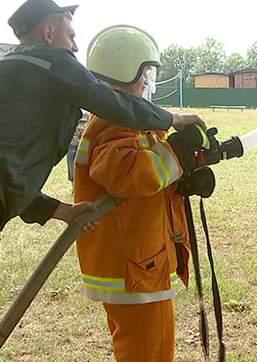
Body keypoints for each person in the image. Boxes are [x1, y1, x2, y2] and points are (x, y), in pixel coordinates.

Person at [0, 0, 205, 361]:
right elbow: (110, 102)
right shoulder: (49, 61)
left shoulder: (3, 75)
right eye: (71, 34)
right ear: (48, 31)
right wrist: (173, 120)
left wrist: (61, 210)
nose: (75, 47)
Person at [73, 25, 210, 361]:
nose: (148, 82)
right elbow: (128, 175)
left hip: (140, 262)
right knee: (149, 353)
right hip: (134, 268)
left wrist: (182, 173)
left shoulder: (128, 118)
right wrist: (177, 153)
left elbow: (153, 175)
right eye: (144, 73)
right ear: (123, 71)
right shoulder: (113, 120)